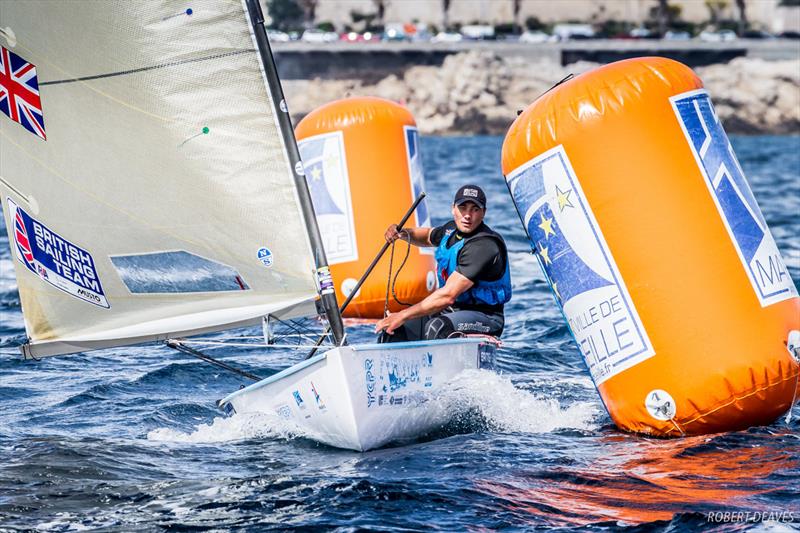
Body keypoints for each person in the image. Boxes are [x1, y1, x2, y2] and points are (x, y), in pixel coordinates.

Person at [375, 184, 511, 342]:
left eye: (475, 209)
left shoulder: (484, 246)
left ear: (483, 213)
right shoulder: (450, 230)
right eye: (463, 208)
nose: (467, 215)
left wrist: (402, 315)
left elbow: (447, 296)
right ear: (453, 209)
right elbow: (427, 236)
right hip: (451, 311)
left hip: (485, 317)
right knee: (394, 329)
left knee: (437, 327)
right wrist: (403, 233)